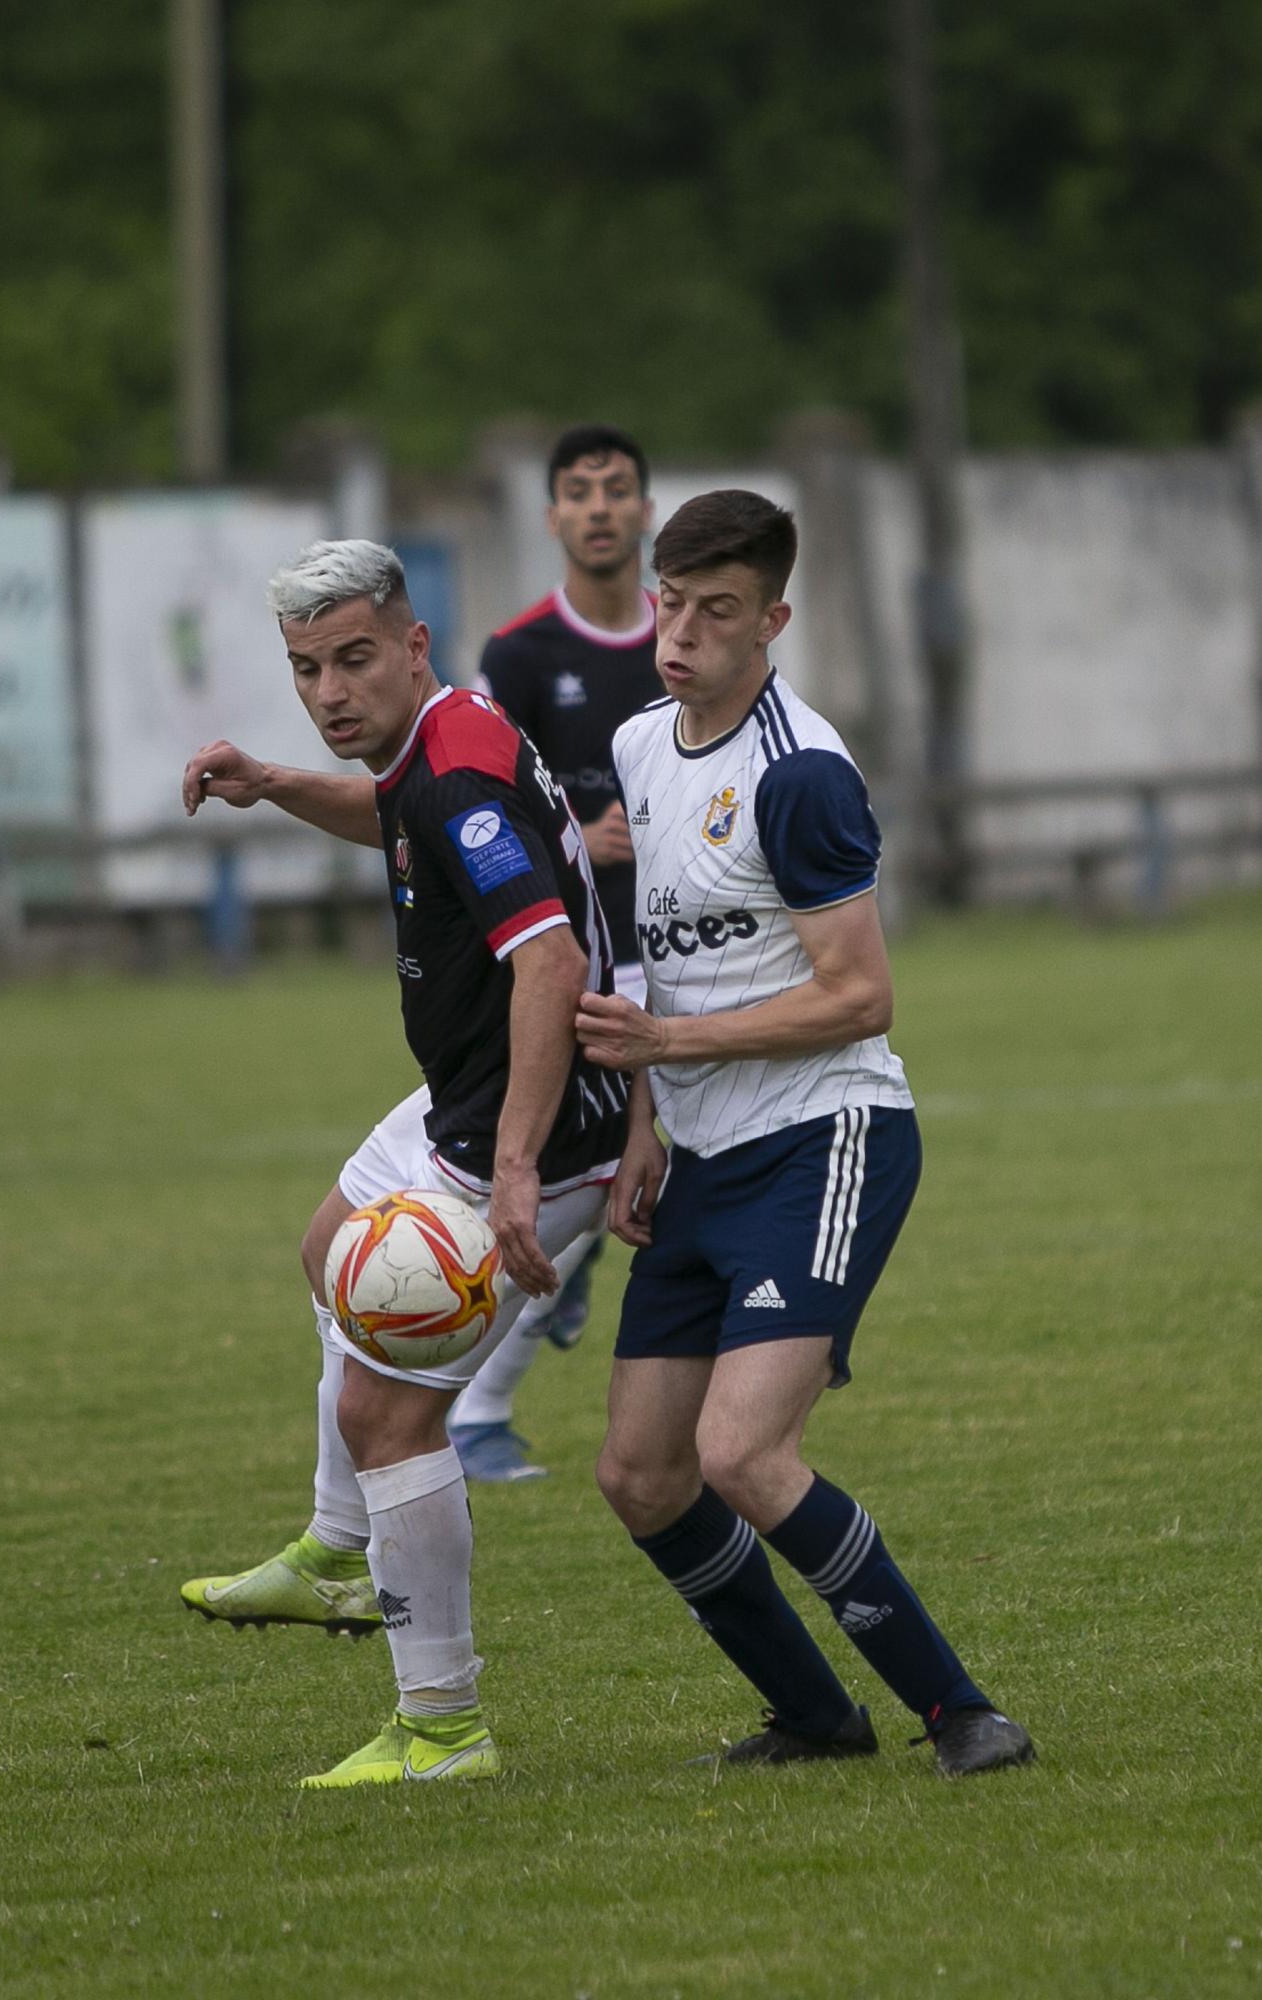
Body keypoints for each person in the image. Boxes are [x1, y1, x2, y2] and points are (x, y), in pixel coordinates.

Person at [575, 490, 1034, 1777]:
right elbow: (670, 961)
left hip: (825, 1137)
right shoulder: (638, 745)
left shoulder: (801, 773)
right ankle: (815, 1716)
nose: (680, 634)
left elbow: (859, 993)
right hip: (703, 1151)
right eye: (667, 604)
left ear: (772, 617)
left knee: (739, 1450)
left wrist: (663, 1052)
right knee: (640, 1471)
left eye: (715, 612)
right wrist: (645, 1129)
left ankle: (960, 1713)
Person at [178, 539, 626, 1788]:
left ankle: (442, 1725)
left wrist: (528, 1168)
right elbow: (389, 812)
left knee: (390, 1408)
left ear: (412, 643)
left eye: (355, 658)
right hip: (462, 1101)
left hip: (526, 1127)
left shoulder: (459, 783)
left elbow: (549, 964)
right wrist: (274, 782)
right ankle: (334, 1554)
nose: (330, 690)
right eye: (307, 667)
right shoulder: (440, 737)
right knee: (328, 1243)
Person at [448, 423, 663, 1482]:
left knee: (655, 1179)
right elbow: (489, 806)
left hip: (687, 955)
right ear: (550, 518)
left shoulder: (688, 635)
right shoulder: (520, 653)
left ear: (644, 510)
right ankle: (477, 1410)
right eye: (577, 491)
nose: (597, 508)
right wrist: (586, 833)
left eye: (615, 489)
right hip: (577, 960)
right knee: (597, 1190)